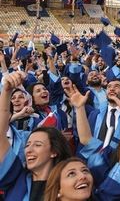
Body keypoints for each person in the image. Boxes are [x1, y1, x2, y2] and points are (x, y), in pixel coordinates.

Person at [0, 71, 73, 201]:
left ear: (54, 151)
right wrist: (6, 91)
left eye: (37, 144)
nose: (28, 149)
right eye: (27, 145)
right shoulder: (15, 177)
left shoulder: (67, 184)